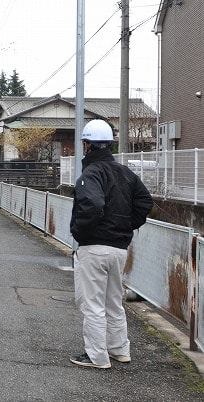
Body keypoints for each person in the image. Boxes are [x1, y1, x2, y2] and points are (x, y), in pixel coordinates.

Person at [69, 119, 153, 369]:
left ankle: (96, 356)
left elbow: (92, 205)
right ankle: (119, 350)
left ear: (87, 145)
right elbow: (145, 202)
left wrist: (80, 232)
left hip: (93, 247)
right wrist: (126, 226)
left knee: (92, 304)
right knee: (113, 301)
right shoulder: (126, 173)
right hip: (119, 248)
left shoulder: (90, 174)